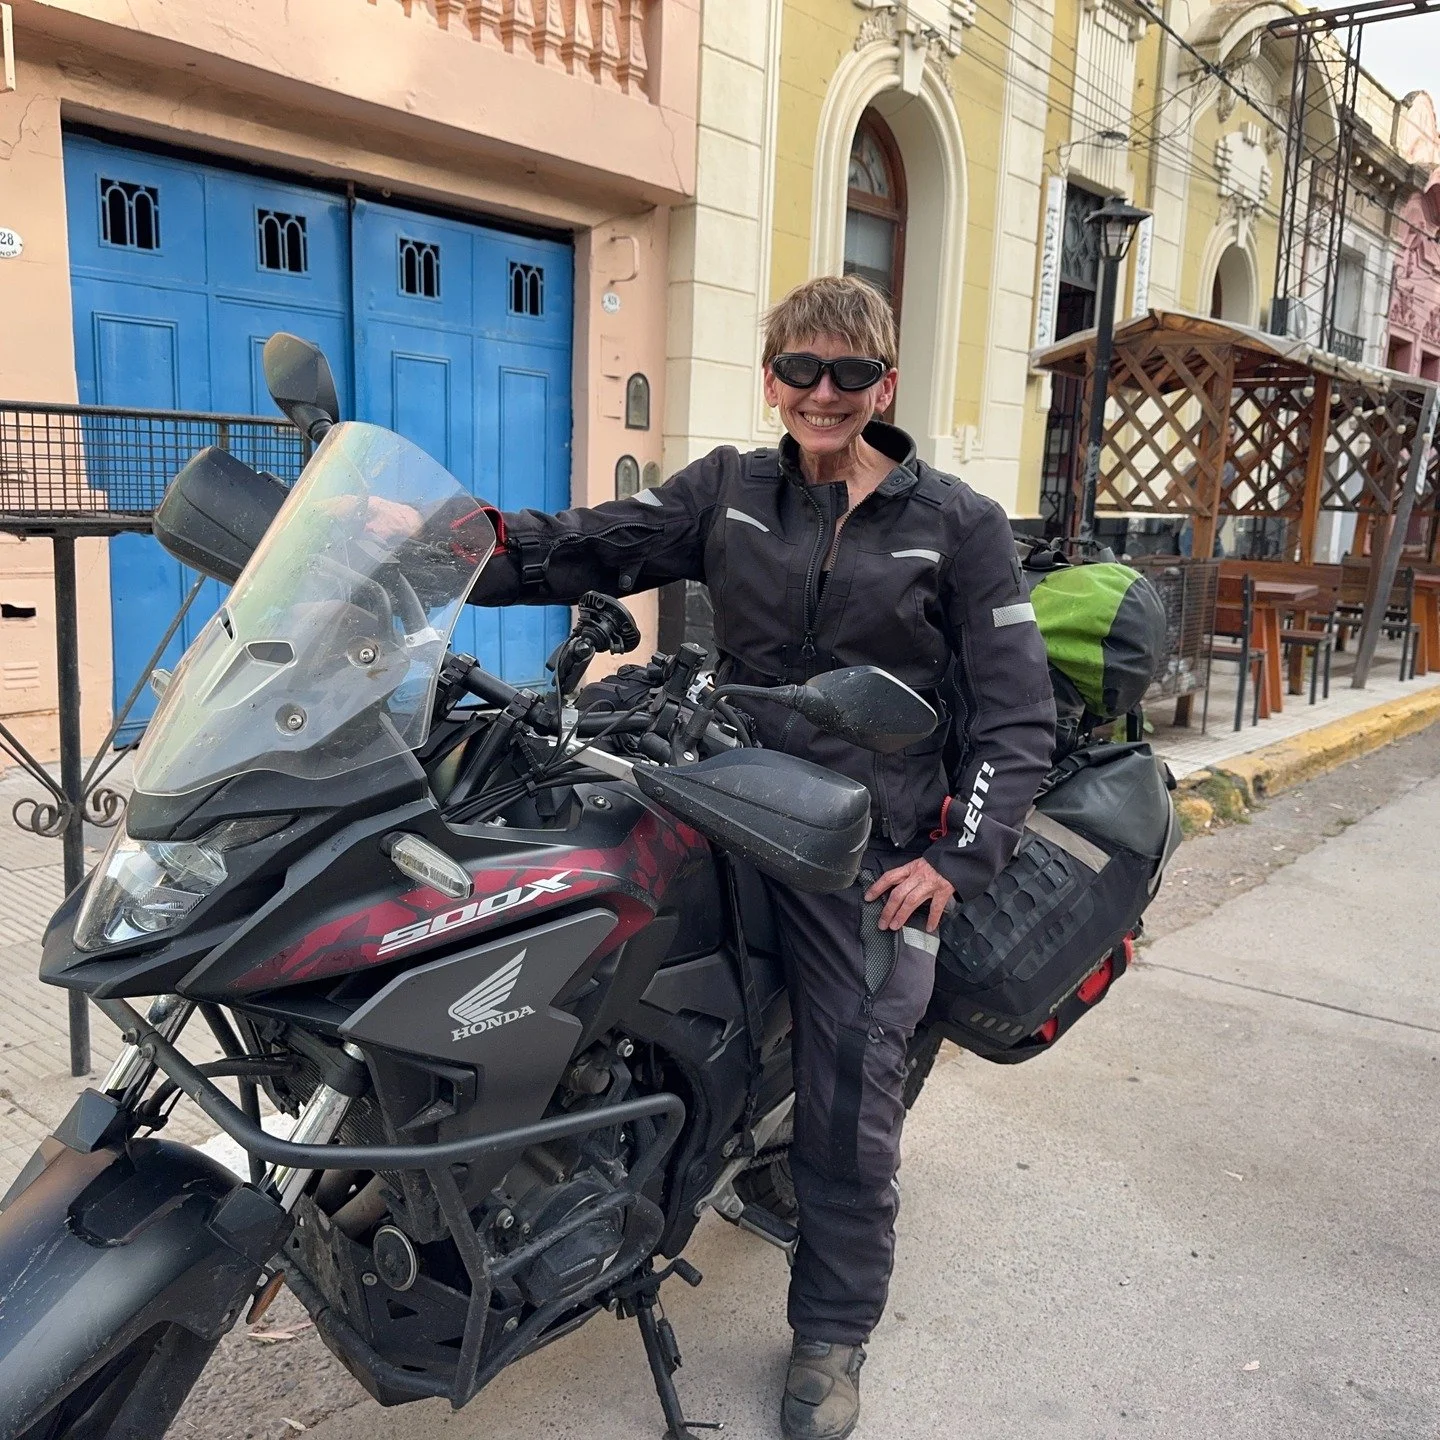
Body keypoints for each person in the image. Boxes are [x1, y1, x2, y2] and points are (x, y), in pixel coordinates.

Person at [468, 275, 1055, 1439]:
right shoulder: (730, 490)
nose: (823, 393)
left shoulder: (957, 525)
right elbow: (591, 544)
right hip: (715, 785)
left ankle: (832, 1329)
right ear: (773, 378)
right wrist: (445, 547)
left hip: (859, 838)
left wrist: (957, 861)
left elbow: (1014, 716)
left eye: (850, 373)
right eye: (801, 369)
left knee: (849, 1083)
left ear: (886, 384)